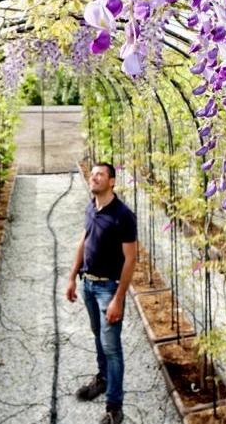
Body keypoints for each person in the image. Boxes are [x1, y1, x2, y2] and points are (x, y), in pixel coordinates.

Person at [66, 162, 137, 424]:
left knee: (112, 347)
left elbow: (131, 260)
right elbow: (83, 242)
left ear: (112, 182)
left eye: (100, 175)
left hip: (109, 288)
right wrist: (73, 277)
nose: (94, 178)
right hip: (88, 284)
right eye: (92, 174)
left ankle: (114, 407)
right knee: (98, 335)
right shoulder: (90, 207)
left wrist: (118, 298)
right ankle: (103, 378)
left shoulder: (123, 216)